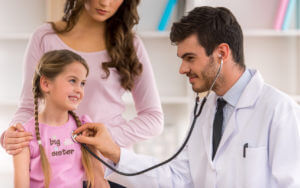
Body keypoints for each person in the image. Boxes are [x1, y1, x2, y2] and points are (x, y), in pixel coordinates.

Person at [73, 6, 300, 188]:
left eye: (190, 58)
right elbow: (177, 178)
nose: (182, 69)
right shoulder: (204, 109)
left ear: (221, 53)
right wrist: (113, 151)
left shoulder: (280, 110)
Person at [2, 0, 163, 187]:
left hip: (109, 172)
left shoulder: (130, 45)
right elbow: (29, 107)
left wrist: (102, 139)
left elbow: (154, 119)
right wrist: (14, 133)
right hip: (56, 175)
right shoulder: (45, 37)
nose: (105, 2)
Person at [13, 49, 110, 188]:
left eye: (82, 83)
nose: (79, 90)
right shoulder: (24, 136)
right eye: (72, 80)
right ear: (46, 84)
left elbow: (100, 182)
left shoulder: (83, 127)